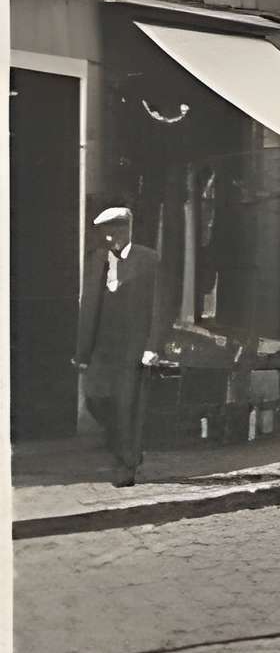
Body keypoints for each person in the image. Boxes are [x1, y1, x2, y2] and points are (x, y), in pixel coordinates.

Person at [73, 204, 170, 487]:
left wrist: (153, 346)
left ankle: (126, 464)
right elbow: (88, 307)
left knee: (128, 406)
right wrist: (82, 352)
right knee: (95, 399)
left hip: (133, 347)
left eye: (114, 233)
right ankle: (124, 448)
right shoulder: (96, 260)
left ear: (127, 230)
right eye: (105, 234)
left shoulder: (148, 260)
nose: (109, 240)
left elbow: (160, 306)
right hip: (103, 347)